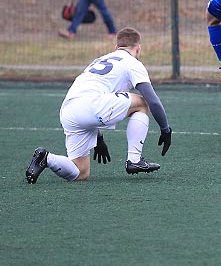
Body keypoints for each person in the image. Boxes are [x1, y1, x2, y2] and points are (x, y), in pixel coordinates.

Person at [25, 27, 173, 184]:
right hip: (90, 105)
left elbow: (91, 99)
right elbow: (153, 100)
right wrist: (165, 129)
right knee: (143, 104)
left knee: (80, 172)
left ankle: (46, 158)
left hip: (69, 110)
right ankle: (134, 160)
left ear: (116, 47)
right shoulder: (133, 63)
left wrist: (99, 138)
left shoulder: (99, 60)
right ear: (138, 48)